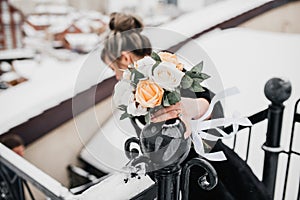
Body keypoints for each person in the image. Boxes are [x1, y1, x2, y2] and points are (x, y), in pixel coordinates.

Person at [101, 12, 271, 200]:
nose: (116, 76)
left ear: (124, 57)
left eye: (112, 69)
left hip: (203, 167)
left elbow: (207, 100)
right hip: (173, 175)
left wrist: (193, 108)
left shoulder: (166, 70)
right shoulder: (131, 90)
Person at [0, 134, 25, 200]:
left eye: (22, 151)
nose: (21, 155)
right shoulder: (3, 172)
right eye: (17, 153)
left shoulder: (18, 170)